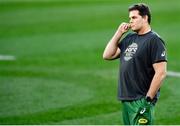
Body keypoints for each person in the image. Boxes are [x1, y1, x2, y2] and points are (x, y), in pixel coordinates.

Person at [103, 3, 167, 125]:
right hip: (126, 99)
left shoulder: (154, 40)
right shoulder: (129, 38)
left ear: (145, 18)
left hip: (141, 99)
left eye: (134, 17)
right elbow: (107, 55)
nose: (130, 21)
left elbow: (161, 72)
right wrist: (119, 33)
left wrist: (148, 99)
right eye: (129, 18)